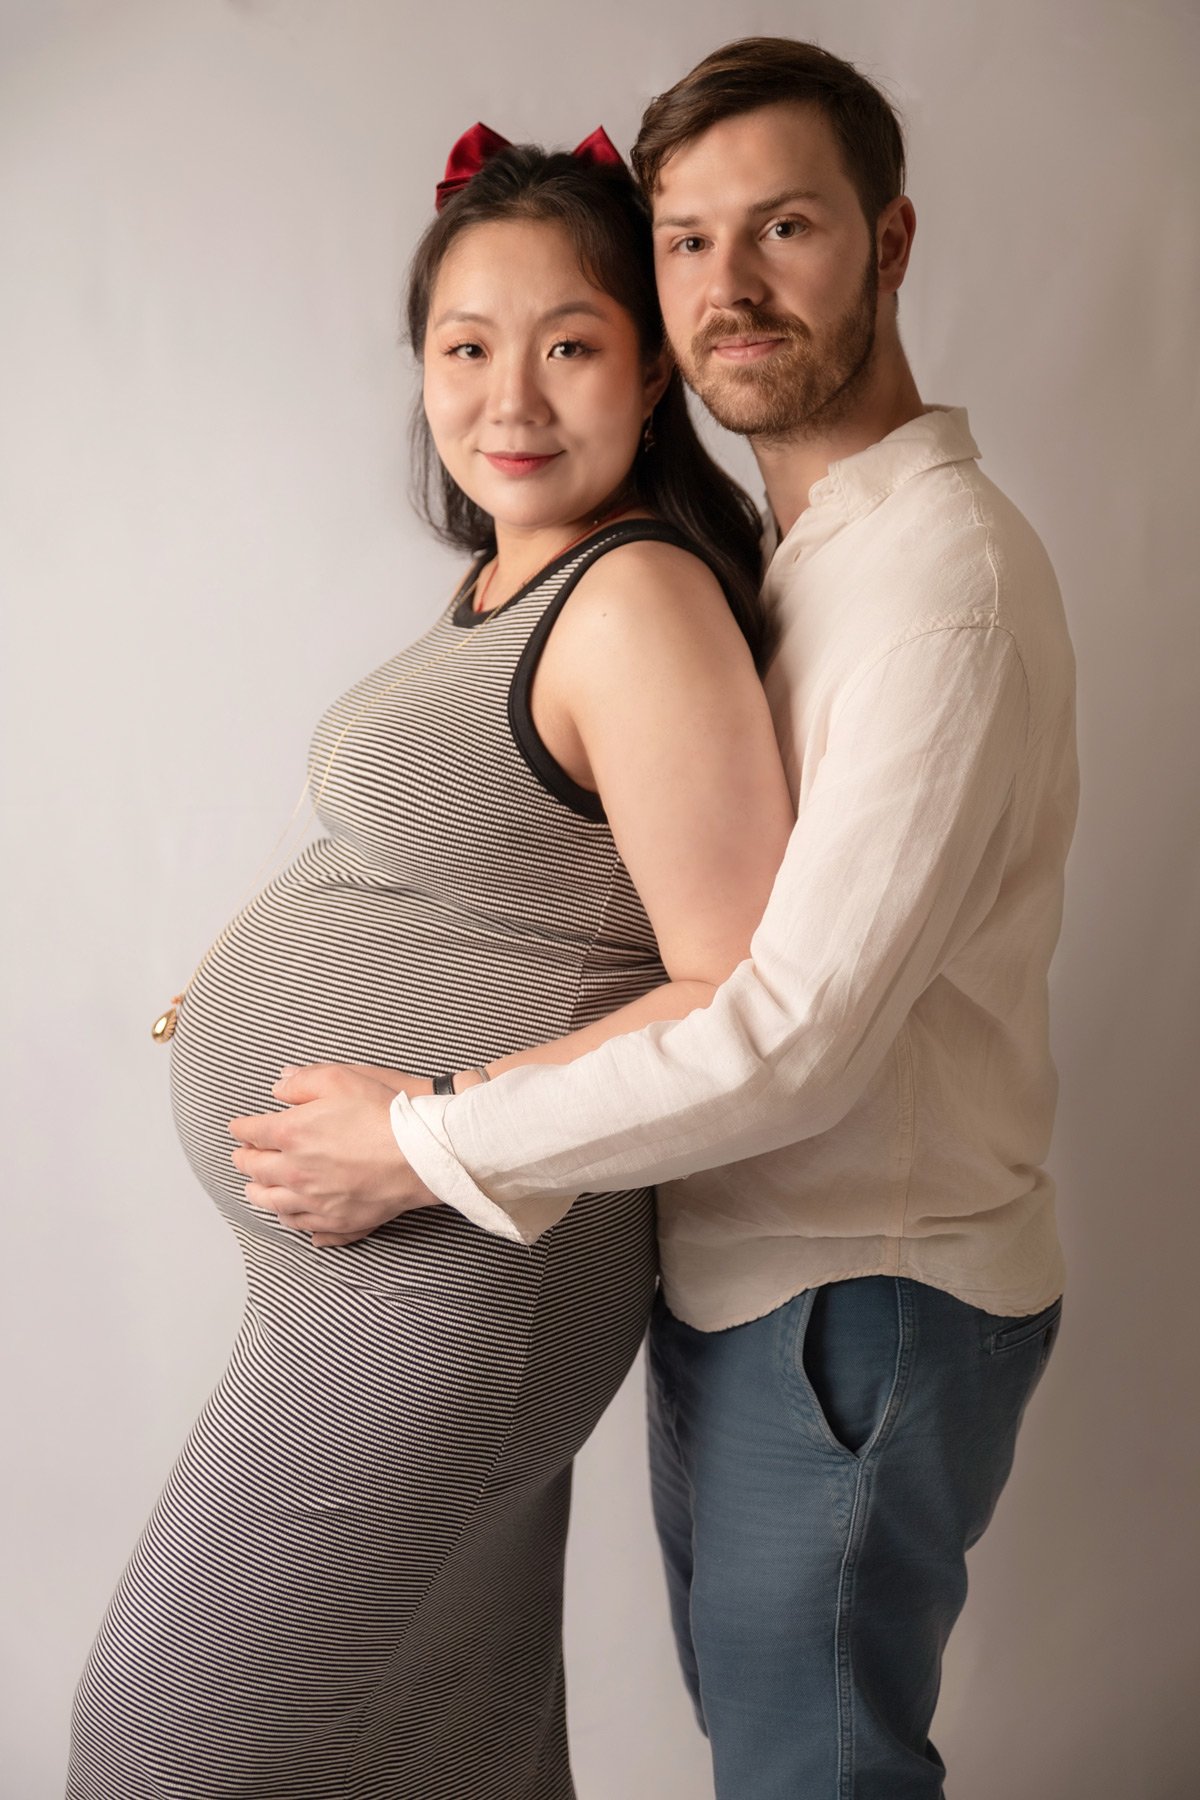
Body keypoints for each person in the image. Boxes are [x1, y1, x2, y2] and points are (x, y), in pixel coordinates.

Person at [231, 38, 1080, 1800]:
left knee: (811, 1777)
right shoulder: (809, 555)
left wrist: (426, 1138)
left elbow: (792, 1032)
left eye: (786, 227)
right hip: (757, 1285)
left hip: (859, 1297)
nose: (730, 285)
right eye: (688, 240)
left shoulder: (940, 586)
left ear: (890, 241)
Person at [66, 130, 794, 1798]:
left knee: (158, 1744)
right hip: (394, 1267)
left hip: (456, 1272)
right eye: (467, 348)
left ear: (653, 368)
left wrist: (424, 1119)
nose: (509, 399)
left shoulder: (635, 600)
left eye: (571, 345)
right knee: (453, 1747)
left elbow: (737, 992)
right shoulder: (518, 578)